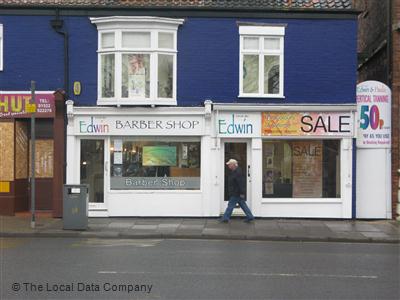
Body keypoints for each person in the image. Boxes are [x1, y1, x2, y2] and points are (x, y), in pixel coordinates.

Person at [220, 159, 255, 223]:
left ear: (233, 165)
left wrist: (242, 192)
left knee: (230, 205)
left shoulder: (238, 173)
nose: (228, 166)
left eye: (229, 164)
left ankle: (225, 218)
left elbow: (241, 183)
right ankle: (250, 216)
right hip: (237, 192)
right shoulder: (234, 171)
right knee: (243, 205)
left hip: (236, 192)